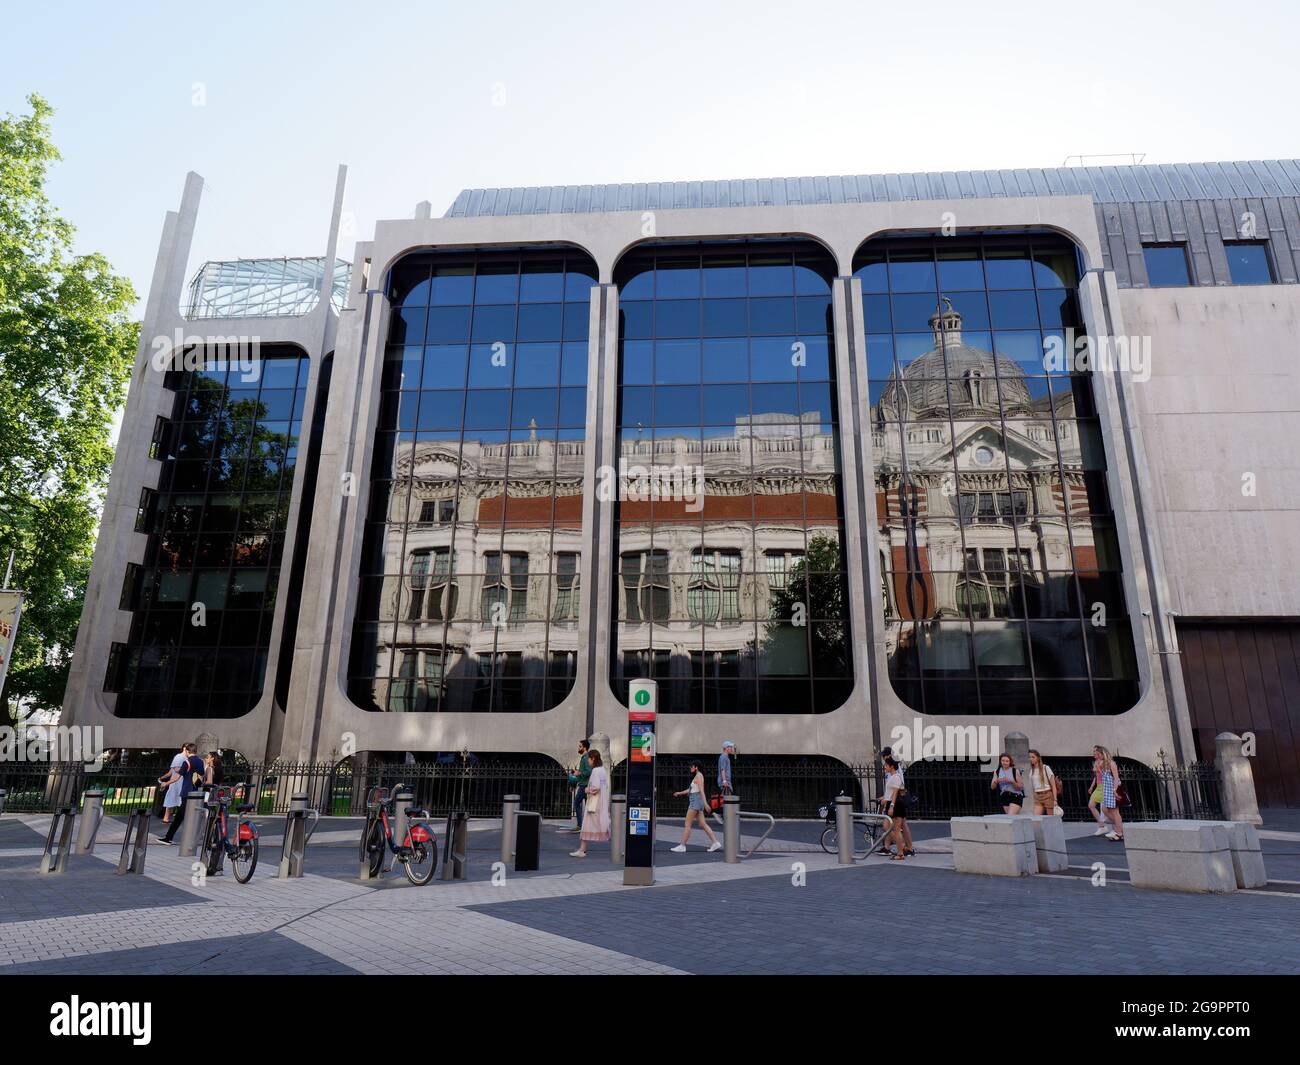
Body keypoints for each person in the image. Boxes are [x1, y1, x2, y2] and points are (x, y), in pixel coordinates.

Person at [671, 759, 722, 853]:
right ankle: (715, 843)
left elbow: (701, 791)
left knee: (687, 824)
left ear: (696, 767)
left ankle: (682, 845)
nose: (690, 768)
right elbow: (690, 790)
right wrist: (680, 793)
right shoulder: (697, 776)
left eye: (691, 766)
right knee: (703, 824)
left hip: (695, 802)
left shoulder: (699, 776)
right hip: (696, 801)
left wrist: (706, 803)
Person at [157, 743, 204, 844]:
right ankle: (189, 838)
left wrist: (166, 783)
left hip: (187, 792)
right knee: (192, 816)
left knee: (179, 817)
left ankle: (168, 838)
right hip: (196, 792)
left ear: (187, 751)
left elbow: (177, 777)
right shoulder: (200, 762)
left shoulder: (187, 762)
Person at [570, 749, 610, 857]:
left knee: (586, 826)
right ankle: (582, 849)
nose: (588, 761)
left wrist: (587, 790)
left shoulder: (595, 771)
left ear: (593, 759)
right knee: (602, 826)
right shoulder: (602, 770)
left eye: (589, 759)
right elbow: (604, 786)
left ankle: (582, 850)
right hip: (600, 802)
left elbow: (595, 787)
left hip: (594, 803)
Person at [880, 755, 908, 860]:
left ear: (892, 766)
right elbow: (889, 793)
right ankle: (902, 846)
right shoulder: (891, 777)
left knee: (896, 829)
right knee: (886, 827)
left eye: (886, 765)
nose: (885, 767)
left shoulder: (896, 777)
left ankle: (900, 853)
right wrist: (885, 805)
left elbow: (895, 793)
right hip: (890, 804)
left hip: (895, 805)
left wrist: (891, 806)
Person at [1096, 745, 1125, 841]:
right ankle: (1118, 827)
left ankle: (1119, 832)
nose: (1097, 756)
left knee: (1115, 811)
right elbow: (1101, 776)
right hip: (1106, 789)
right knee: (1104, 809)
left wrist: (1115, 790)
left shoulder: (1111, 763)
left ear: (1103, 754)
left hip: (1112, 789)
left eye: (1098, 754)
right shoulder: (1102, 764)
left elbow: (1116, 778)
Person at [564, 739, 591, 834]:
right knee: (588, 807)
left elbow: (588, 772)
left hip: (585, 786)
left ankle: (580, 825)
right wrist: (574, 784)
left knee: (576, 803)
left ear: (584, 747)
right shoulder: (584, 757)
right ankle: (587, 826)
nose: (578, 748)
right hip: (584, 785)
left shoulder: (586, 758)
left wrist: (578, 773)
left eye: (580, 746)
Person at [158, 745, 186, 824]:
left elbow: (170, 772)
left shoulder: (185, 758)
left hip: (179, 781)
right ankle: (166, 818)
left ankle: (169, 818)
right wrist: (161, 778)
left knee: (176, 800)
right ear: (184, 748)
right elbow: (174, 771)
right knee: (172, 800)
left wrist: (161, 778)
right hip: (176, 782)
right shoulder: (179, 757)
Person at [1028, 749, 1059, 815]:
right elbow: (1033, 786)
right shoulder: (1031, 770)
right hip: (1037, 796)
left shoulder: (1046, 768)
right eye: (1029, 757)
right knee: (1036, 818)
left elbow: (1053, 785)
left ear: (1038, 758)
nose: (1031, 759)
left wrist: (1055, 800)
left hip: (1047, 794)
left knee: (1050, 819)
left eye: (1033, 757)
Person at [713, 740, 736, 822]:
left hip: (726, 781)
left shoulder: (725, 757)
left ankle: (721, 815)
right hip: (725, 782)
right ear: (726, 748)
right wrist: (724, 781)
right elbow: (722, 769)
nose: (731, 748)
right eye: (730, 747)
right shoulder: (723, 757)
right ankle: (719, 814)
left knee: (725, 799)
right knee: (726, 800)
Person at [1087, 749, 1109, 834]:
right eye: (1093, 752)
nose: (1094, 753)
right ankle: (1102, 826)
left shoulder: (1104, 762)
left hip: (1104, 786)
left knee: (1107, 810)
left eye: (1095, 752)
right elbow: (1096, 777)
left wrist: (1098, 767)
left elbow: (1104, 774)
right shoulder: (1096, 762)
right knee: (1091, 805)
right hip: (1098, 787)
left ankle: (1117, 827)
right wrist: (1092, 787)